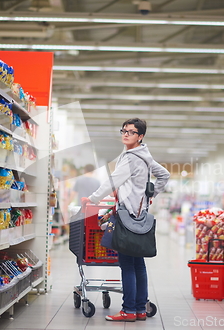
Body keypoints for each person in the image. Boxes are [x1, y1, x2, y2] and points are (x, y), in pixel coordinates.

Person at [86, 118, 170, 322]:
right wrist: (149, 197)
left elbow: (113, 180)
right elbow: (164, 175)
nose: (126, 134)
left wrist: (92, 198)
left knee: (127, 264)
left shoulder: (131, 157)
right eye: (124, 130)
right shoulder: (145, 156)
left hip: (126, 215)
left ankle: (129, 310)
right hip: (139, 215)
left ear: (140, 136)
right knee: (138, 263)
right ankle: (140, 309)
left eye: (131, 132)